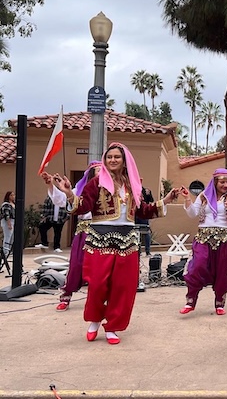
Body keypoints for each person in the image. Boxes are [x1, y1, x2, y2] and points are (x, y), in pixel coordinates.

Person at [60, 142, 179, 345]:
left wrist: (165, 201)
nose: (112, 160)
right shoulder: (96, 183)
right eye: (109, 157)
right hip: (100, 238)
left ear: (124, 161)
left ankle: (113, 326)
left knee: (123, 286)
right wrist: (70, 194)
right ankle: (95, 320)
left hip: (127, 240)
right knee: (97, 283)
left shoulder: (132, 185)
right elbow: (84, 206)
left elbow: (142, 212)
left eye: (117, 157)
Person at [179, 168, 227, 316]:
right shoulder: (204, 196)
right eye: (222, 182)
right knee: (197, 266)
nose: (225, 185)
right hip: (204, 236)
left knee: (223, 270)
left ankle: (220, 302)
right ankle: (191, 300)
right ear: (215, 182)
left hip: (226, 237)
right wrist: (187, 198)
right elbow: (192, 214)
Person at [41, 161, 102, 311]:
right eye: (97, 171)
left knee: (100, 268)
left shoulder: (110, 190)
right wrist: (51, 185)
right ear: (91, 175)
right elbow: (61, 201)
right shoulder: (81, 190)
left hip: (102, 232)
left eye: (102, 170)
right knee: (76, 264)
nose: (100, 173)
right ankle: (66, 296)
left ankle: (99, 300)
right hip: (84, 230)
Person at [135, 180, 154, 256]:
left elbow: (151, 200)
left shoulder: (145, 190)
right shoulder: (132, 189)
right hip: (135, 215)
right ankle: (138, 251)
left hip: (143, 214)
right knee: (136, 233)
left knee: (146, 232)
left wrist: (149, 194)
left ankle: (147, 251)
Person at [1, 191, 15, 260]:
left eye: (13, 195)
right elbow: (6, 214)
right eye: (11, 195)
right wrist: (9, 223)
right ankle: (5, 251)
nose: (13, 196)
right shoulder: (6, 204)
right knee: (8, 236)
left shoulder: (13, 204)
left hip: (14, 221)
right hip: (8, 221)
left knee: (12, 237)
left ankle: (10, 251)